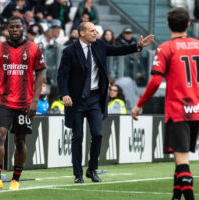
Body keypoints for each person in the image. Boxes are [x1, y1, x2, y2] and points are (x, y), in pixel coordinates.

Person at [131, 8, 199, 200]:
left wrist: (139, 105)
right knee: (180, 155)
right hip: (198, 111)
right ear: (188, 25)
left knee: (182, 161)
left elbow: (156, 81)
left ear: (167, 25)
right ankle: (176, 197)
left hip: (178, 111)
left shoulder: (166, 48)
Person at [57, 21, 154, 183]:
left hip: (95, 98)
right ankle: (78, 174)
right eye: (92, 31)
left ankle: (92, 169)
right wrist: (64, 93)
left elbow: (118, 50)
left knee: (98, 134)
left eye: (96, 31)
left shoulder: (99, 45)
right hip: (76, 100)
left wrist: (137, 45)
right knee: (77, 136)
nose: (96, 33)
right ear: (82, 33)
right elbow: (62, 75)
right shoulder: (69, 51)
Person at [0, 16, 45, 191]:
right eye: (11, 27)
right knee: (0, 135)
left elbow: (40, 75)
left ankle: (16, 179)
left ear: (23, 28)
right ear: (7, 29)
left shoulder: (34, 48)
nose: (15, 29)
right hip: (3, 100)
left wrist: (35, 100)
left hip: (25, 103)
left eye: (18, 26)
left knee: (20, 140)